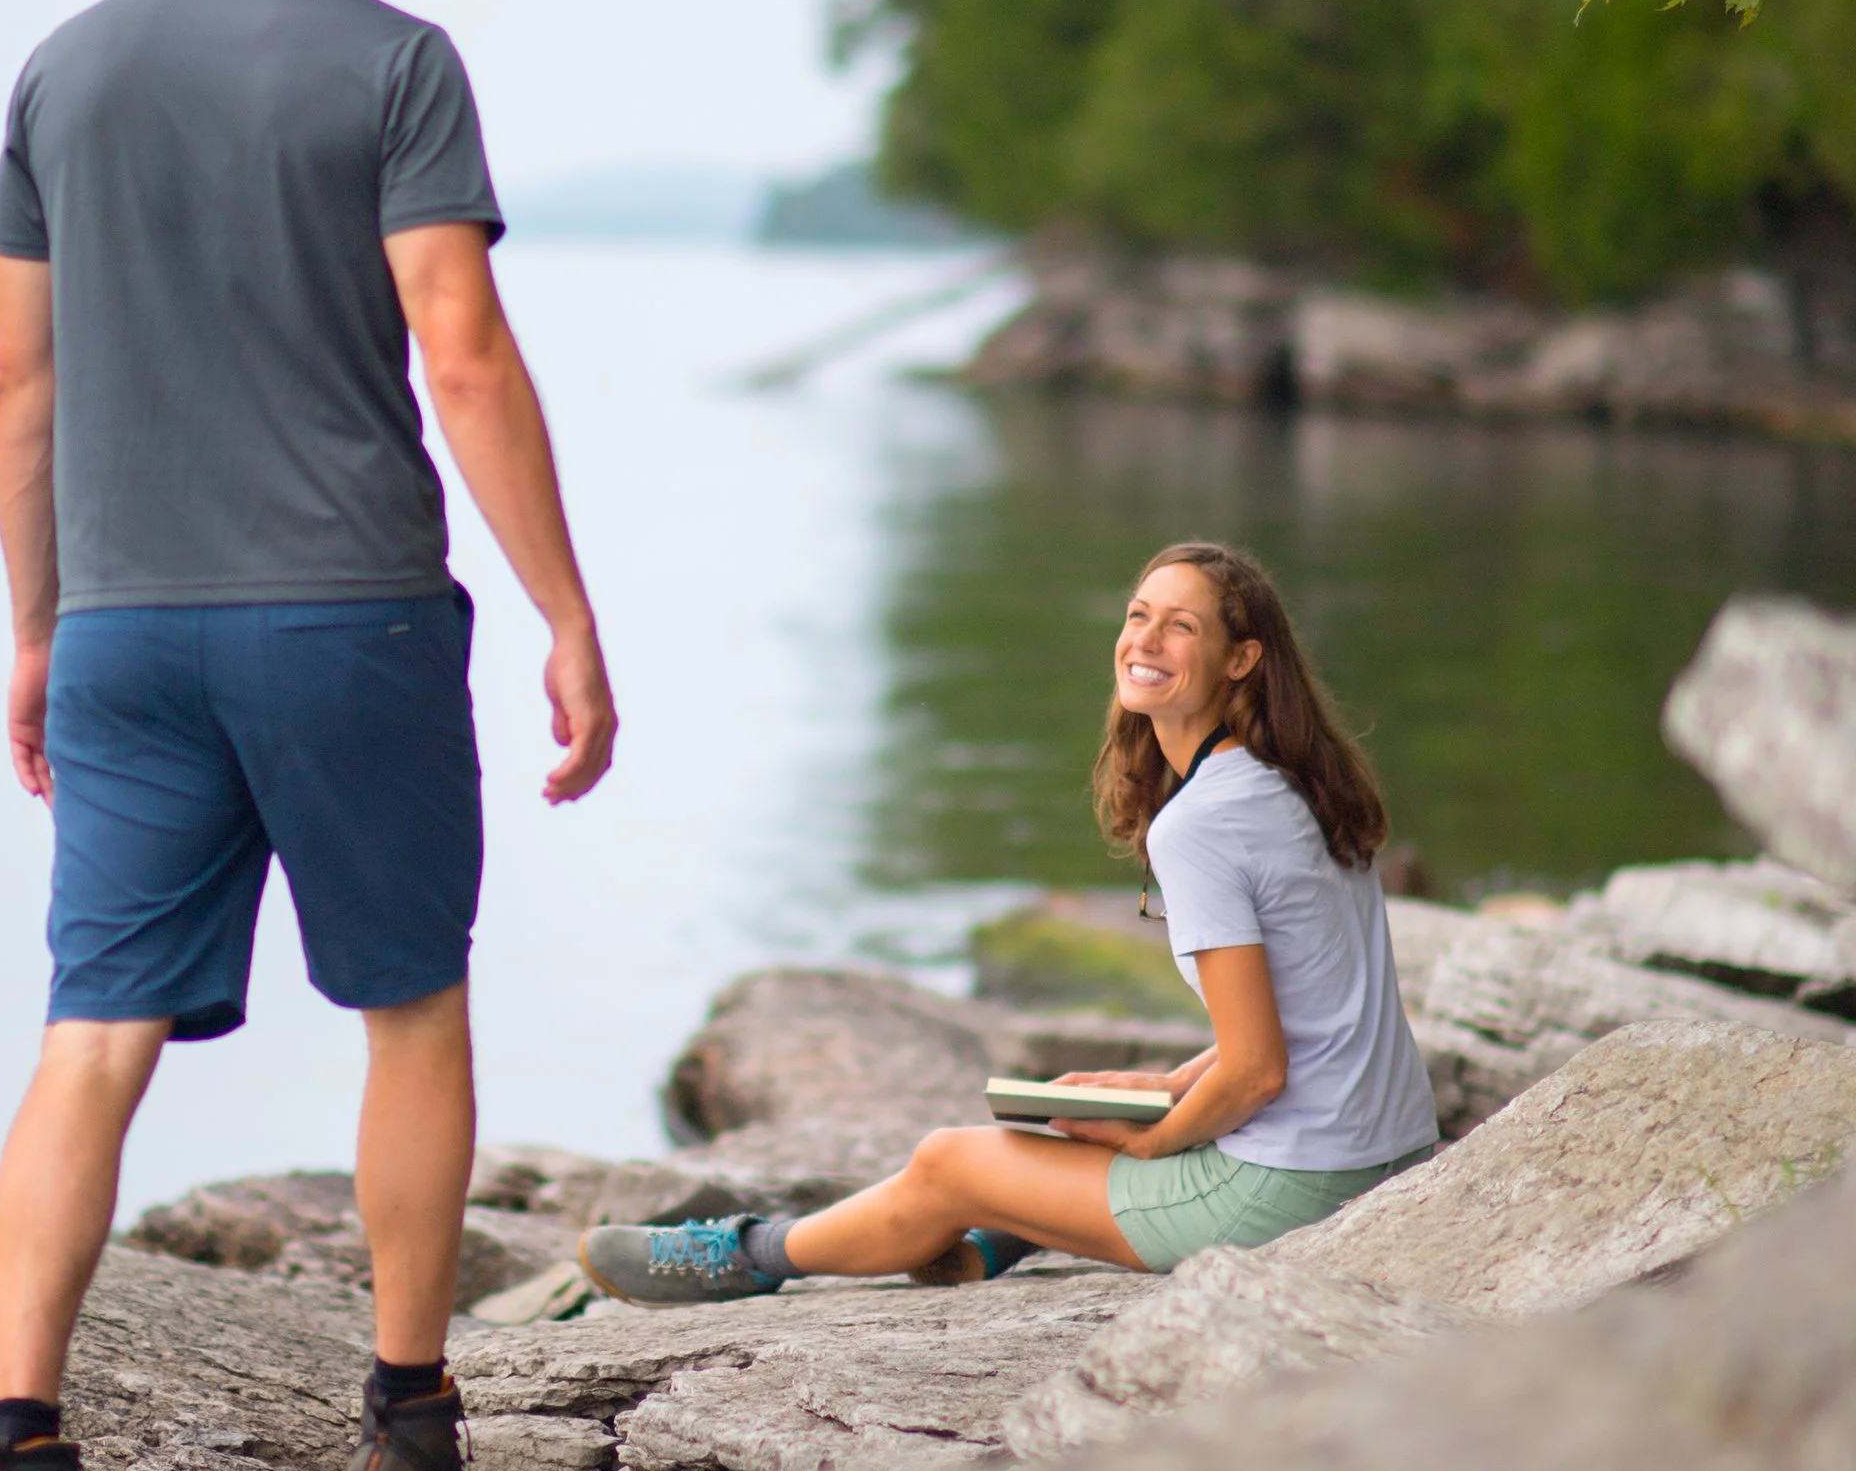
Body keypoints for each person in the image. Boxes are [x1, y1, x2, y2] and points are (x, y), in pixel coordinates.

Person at [0, 0, 616, 1471]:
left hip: (130, 628)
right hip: (343, 613)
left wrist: (35, 626)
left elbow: (14, 382)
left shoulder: (63, 69)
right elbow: (460, 347)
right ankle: (405, 1431)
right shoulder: (394, 62)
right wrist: (565, 608)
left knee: (89, 1037)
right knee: (407, 1012)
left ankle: (18, 1466)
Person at [580, 539, 1432, 1303]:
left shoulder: (1203, 822)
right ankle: (999, 1234)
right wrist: (1167, 1085)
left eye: (1181, 627)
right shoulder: (1298, 785)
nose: (1144, 640)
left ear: (1241, 659)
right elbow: (1321, 1007)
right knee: (1080, 1109)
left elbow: (1256, 1073)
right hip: (1387, 1152)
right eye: (1139, 616)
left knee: (948, 1161)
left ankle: (739, 1256)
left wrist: (1157, 1140)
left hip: (1293, 1189)